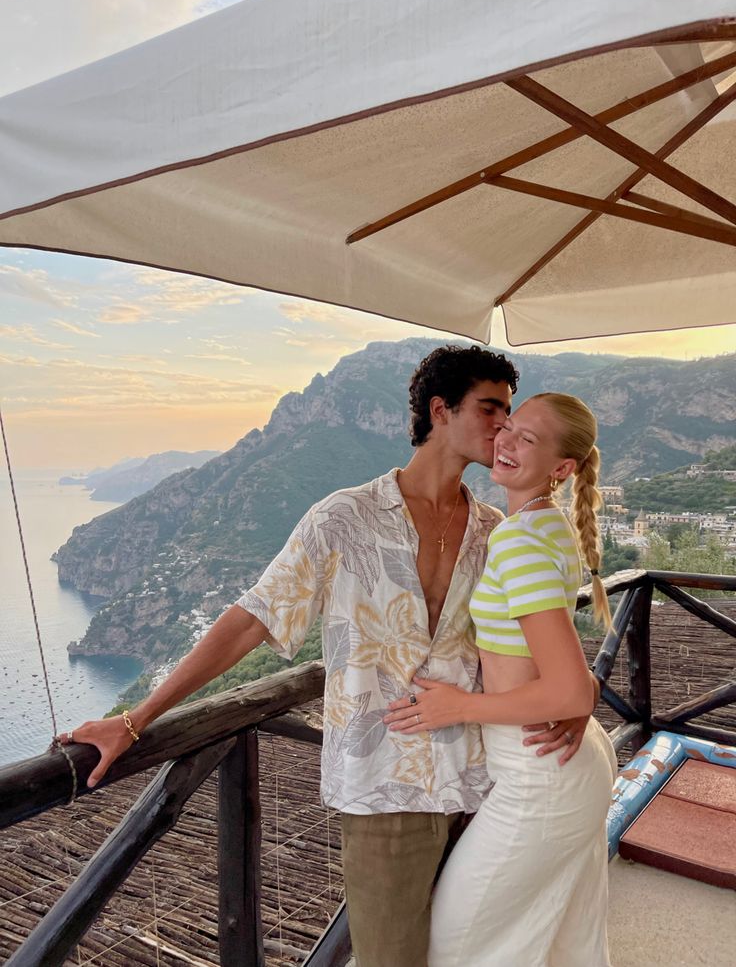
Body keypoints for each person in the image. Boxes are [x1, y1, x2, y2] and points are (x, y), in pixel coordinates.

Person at [66, 350, 591, 967]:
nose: (502, 427)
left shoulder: (494, 530)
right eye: (491, 409)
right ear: (440, 411)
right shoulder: (345, 518)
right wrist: (136, 718)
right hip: (383, 793)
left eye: (509, 413)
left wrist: (575, 703)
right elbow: (249, 621)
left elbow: (538, 643)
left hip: (480, 783)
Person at [384, 392, 616, 967]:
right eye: (509, 427)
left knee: (455, 947)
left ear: (562, 469)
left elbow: (570, 690)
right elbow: (566, 677)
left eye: (528, 439)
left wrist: (458, 707)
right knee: (561, 938)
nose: (506, 441)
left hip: (540, 775)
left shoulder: (518, 540)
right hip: (562, 759)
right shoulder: (544, 525)